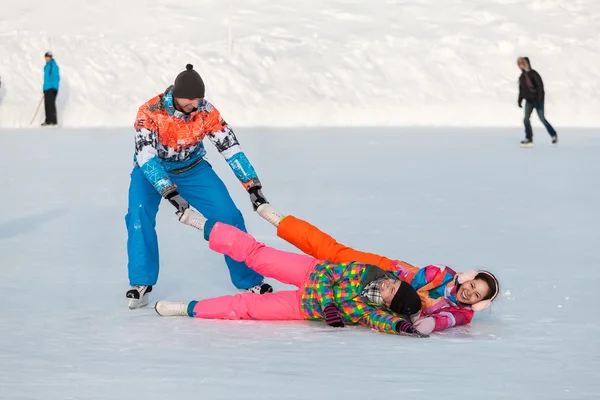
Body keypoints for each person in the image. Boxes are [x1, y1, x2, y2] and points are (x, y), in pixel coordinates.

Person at [126, 64, 273, 309]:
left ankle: (249, 280)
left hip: (193, 169)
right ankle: (141, 283)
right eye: (190, 100)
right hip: (150, 171)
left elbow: (230, 148)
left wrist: (253, 187)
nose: (195, 105)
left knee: (229, 216)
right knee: (137, 216)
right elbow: (146, 156)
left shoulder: (205, 111)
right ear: (176, 94)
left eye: (199, 99)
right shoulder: (150, 111)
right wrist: (169, 192)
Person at [155, 208, 428, 338]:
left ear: (388, 305)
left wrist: (400, 326)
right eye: (392, 283)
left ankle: (188, 308)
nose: (386, 285)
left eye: (390, 293)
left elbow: (380, 321)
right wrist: (330, 305)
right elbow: (327, 276)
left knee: (246, 308)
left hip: (302, 307)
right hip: (309, 272)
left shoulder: (369, 311)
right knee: (256, 255)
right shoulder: (367, 272)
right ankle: (204, 225)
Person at [253, 205, 500, 335]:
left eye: (477, 295)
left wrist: (421, 324)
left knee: (338, 301)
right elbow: (411, 280)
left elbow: (442, 321)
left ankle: (270, 299)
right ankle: (282, 221)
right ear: (468, 278)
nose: (469, 292)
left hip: (382, 301)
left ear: (479, 304)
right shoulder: (444, 274)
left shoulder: (462, 314)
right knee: (333, 253)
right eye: (472, 285)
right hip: (384, 272)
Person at [517, 57, 558, 147]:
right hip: (529, 101)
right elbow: (522, 90)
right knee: (526, 119)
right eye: (519, 64)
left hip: (538, 101)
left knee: (542, 118)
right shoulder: (522, 77)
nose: (520, 66)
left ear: (526, 64)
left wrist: (539, 99)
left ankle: (553, 135)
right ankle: (529, 138)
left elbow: (540, 87)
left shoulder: (534, 74)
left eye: (521, 64)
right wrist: (520, 99)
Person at [42, 51, 60, 126]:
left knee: (51, 105)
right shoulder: (47, 65)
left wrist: (54, 88)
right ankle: (48, 120)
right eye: (45, 57)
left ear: (51, 57)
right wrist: (44, 88)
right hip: (47, 88)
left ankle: (53, 121)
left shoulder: (53, 65)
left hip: (52, 88)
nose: (46, 58)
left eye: (48, 57)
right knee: (46, 105)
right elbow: (46, 78)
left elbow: (56, 77)